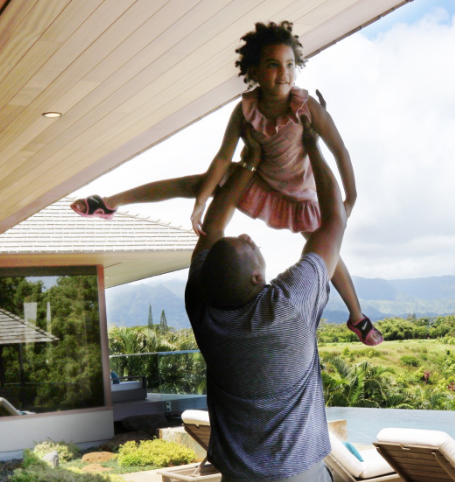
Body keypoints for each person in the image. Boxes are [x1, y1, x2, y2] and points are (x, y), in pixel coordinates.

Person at [71, 21, 382, 346]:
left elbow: (340, 150)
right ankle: (110, 202)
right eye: (273, 65)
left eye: (290, 65)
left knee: (327, 251)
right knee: (194, 182)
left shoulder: (306, 107)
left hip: (298, 195)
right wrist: (201, 200)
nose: (284, 73)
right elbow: (222, 158)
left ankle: (356, 316)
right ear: (255, 71)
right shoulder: (245, 110)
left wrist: (351, 197)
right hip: (259, 180)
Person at [185, 106, 350, 482]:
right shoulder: (287, 307)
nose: (246, 235)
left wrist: (249, 165)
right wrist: (313, 145)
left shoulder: (202, 311)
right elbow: (333, 221)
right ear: (258, 277)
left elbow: (211, 228)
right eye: (246, 243)